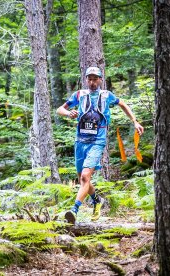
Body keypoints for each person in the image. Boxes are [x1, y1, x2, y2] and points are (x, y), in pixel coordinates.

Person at [56, 67, 144, 224]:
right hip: (80, 140)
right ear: (86, 80)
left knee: (85, 177)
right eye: (89, 79)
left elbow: (122, 104)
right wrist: (68, 113)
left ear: (100, 79)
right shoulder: (79, 95)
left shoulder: (106, 95)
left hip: (97, 141)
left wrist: (134, 121)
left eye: (95, 79)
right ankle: (97, 200)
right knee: (82, 179)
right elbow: (60, 109)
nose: (92, 82)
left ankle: (74, 210)